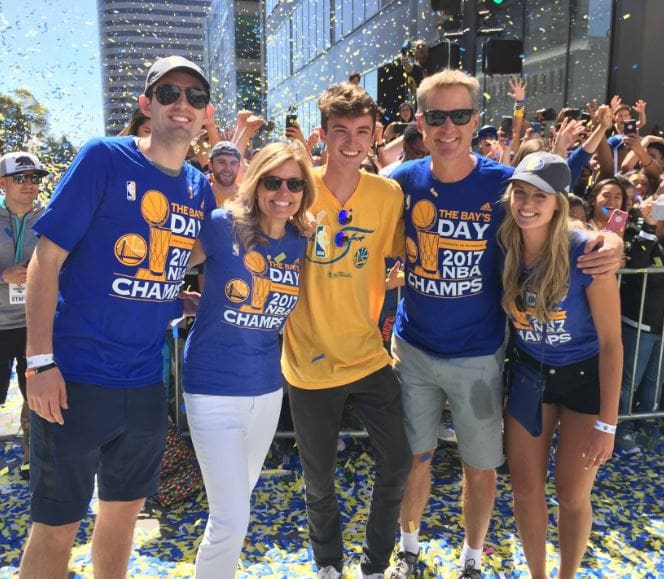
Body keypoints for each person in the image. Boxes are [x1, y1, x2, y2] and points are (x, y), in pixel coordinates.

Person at [385, 69, 622, 579]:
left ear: (475, 120)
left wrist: (610, 240)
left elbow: (556, 216)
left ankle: (473, 559)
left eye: (460, 115)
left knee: (482, 466)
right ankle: (407, 550)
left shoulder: (501, 184)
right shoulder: (400, 182)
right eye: (436, 116)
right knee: (416, 458)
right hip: (415, 349)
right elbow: (349, 215)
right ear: (420, 123)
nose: (448, 126)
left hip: (481, 355)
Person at [19, 55, 216, 578]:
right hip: (73, 379)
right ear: (146, 104)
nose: (182, 105)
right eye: (169, 93)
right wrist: (39, 362)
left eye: (194, 97)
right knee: (56, 527)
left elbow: (180, 256)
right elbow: (47, 258)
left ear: (205, 114)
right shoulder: (104, 158)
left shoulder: (198, 187)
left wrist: (179, 300)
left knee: (123, 518)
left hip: (144, 384)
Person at [281, 83, 411, 578]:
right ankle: (329, 564)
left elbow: (400, 255)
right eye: (341, 132)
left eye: (362, 132)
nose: (351, 142)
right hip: (308, 361)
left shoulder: (387, 193)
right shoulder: (296, 188)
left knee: (396, 462)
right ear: (323, 135)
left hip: (368, 354)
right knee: (319, 478)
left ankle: (375, 565)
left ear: (375, 136)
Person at [182, 142, 316, 578]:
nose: (284, 192)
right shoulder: (223, 225)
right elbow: (168, 263)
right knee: (231, 517)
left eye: (295, 183)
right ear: (257, 184)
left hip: (267, 391)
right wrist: (174, 302)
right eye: (274, 181)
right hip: (213, 388)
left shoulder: (300, 241)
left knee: (238, 501)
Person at [499, 151, 622, 579]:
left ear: (558, 204)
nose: (527, 204)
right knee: (525, 490)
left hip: (584, 383)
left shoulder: (586, 252)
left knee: (571, 495)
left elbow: (611, 341)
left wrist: (608, 422)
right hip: (531, 377)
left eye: (539, 196)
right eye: (519, 193)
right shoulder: (505, 243)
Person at [0, 152, 47, 479]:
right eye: (21, 178)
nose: (30, 185)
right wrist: (4, 276)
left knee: (36, 393)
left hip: (35, 323)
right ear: (2, 183)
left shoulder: (48, 217)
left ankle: (34, 456)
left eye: (35, 178)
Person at [208, 140, 242, 207]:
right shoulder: (201, 197)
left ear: (238, 167)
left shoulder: (249, 197)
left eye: (233, 163)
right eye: (222, 162)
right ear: (210, 165)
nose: (228, 168)